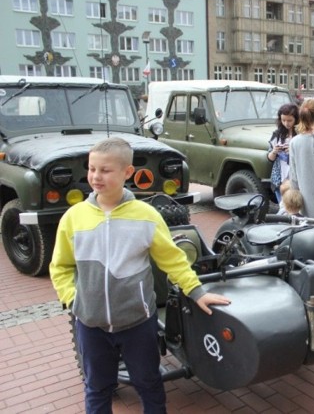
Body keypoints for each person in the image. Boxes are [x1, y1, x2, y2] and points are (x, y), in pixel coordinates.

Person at [49, 137, 231, 412]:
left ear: (127, 173)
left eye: (105, 170)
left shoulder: (146, 216)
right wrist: (73, 299)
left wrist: (197, 293)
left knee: (149, 383)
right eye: (92, 168)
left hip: (138, 323)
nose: (96, 176)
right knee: (97, 388)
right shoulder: (73, 218)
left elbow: (173, 260)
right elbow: (60, 266)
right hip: (90, 325)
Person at [268, 103, 299, 202]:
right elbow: (270, 158)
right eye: (283, 120)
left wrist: (292, 151)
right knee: (283, 207)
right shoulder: (277, 134)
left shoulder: (301, 135)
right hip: (280, 177)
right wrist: (274, 151)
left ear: (296, 119)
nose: (286, 123)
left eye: (290, 120)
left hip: (296, 177)